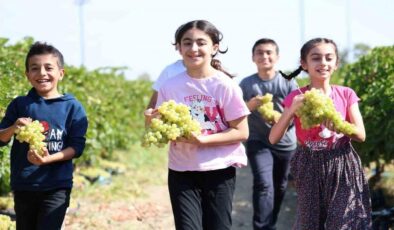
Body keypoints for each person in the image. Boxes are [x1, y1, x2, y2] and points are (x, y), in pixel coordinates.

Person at [144, 19, 250, 230]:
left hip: (219, 169)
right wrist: (151, 120)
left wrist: (203, 140)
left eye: (201, 43)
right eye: (187, 43)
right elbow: (163, 127)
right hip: (181, 170)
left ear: (214, 48)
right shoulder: (170, 86)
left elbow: (241, 131)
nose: (194, 49)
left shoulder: (224, 85)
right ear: (179, 48)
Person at [269, 38, 372, 229]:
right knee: (309, 223)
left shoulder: (346, 94)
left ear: (336, 63)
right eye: (316, 58)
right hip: (309, 163)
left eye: (328, 58)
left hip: (342, 163)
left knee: (343, 222)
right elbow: (274, 137)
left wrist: (339, 126)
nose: (323, 63)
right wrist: (292, 110)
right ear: (304, 64)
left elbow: (361, 134)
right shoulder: (296, 97)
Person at [0, 41, 88, 230]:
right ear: (27, 75)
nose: (42, 73)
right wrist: (14, 126)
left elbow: (76, 147)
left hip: (57, 185)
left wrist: (48, 159)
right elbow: (1, 138)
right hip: (24, 184)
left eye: (48, 68)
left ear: (61, 73)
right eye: (34, 68)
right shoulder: (20, 105)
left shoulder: (72, 107)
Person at [239, 38, 298, 230]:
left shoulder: (288, 82)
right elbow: (236, 113)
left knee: (280, 186)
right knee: (264, 184)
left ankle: (270, 223)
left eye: (269, 52)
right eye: (260, 53)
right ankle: (262, 227)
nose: (264, 56)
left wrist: (281, 120)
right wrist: (249, 106)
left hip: (285, 143)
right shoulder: (247, 84)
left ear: (277, 57)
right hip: (259, 141)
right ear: (253, 57)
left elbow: (298, 112)